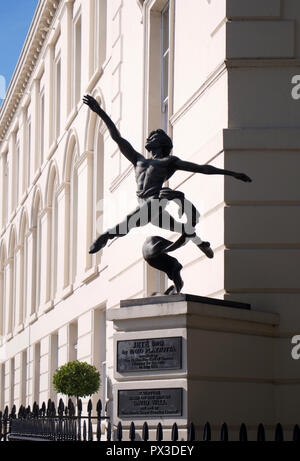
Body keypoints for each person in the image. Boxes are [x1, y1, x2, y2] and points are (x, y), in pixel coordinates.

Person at [83, 95, 252, 288]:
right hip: (148, 209)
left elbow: (202, 168)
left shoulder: (168, 162)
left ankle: (105, 236)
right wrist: (100, 112)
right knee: (181, 228)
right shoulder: (138, 160)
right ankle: (193, 252)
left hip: (155, 203)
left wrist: (232, 173)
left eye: (154, 137)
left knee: (130, 221)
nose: (149, 138)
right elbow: (117, 137)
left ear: (162, 143)